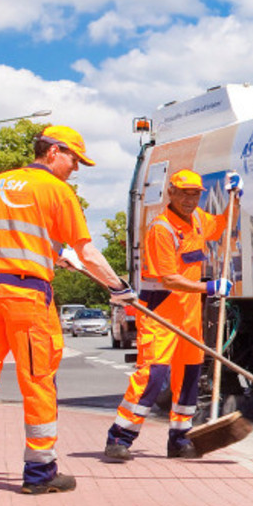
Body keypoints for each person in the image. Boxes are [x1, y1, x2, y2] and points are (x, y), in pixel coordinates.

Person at [0, 126, 136, 500]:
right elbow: (88, 252)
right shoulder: (57, 190)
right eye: (75, 159)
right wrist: (119, 289)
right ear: (54, 152)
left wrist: (50, 256)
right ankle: (40, 473)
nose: (76, 168)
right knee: (38, 381)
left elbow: (7, 237)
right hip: (26, 297)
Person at [104, 169, 241, 461]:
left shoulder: (199, 221)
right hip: (160, 313)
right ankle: (120, 437)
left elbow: (224, 225)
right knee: (153, 374)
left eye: (195, 194)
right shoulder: (161, 229)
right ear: (171, 193)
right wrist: (210, 286)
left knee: (189, 375)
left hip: (189, 314)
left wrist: (235, 198)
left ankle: (180, 439)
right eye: (184, 193)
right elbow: (169, 279)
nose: (190, 199)